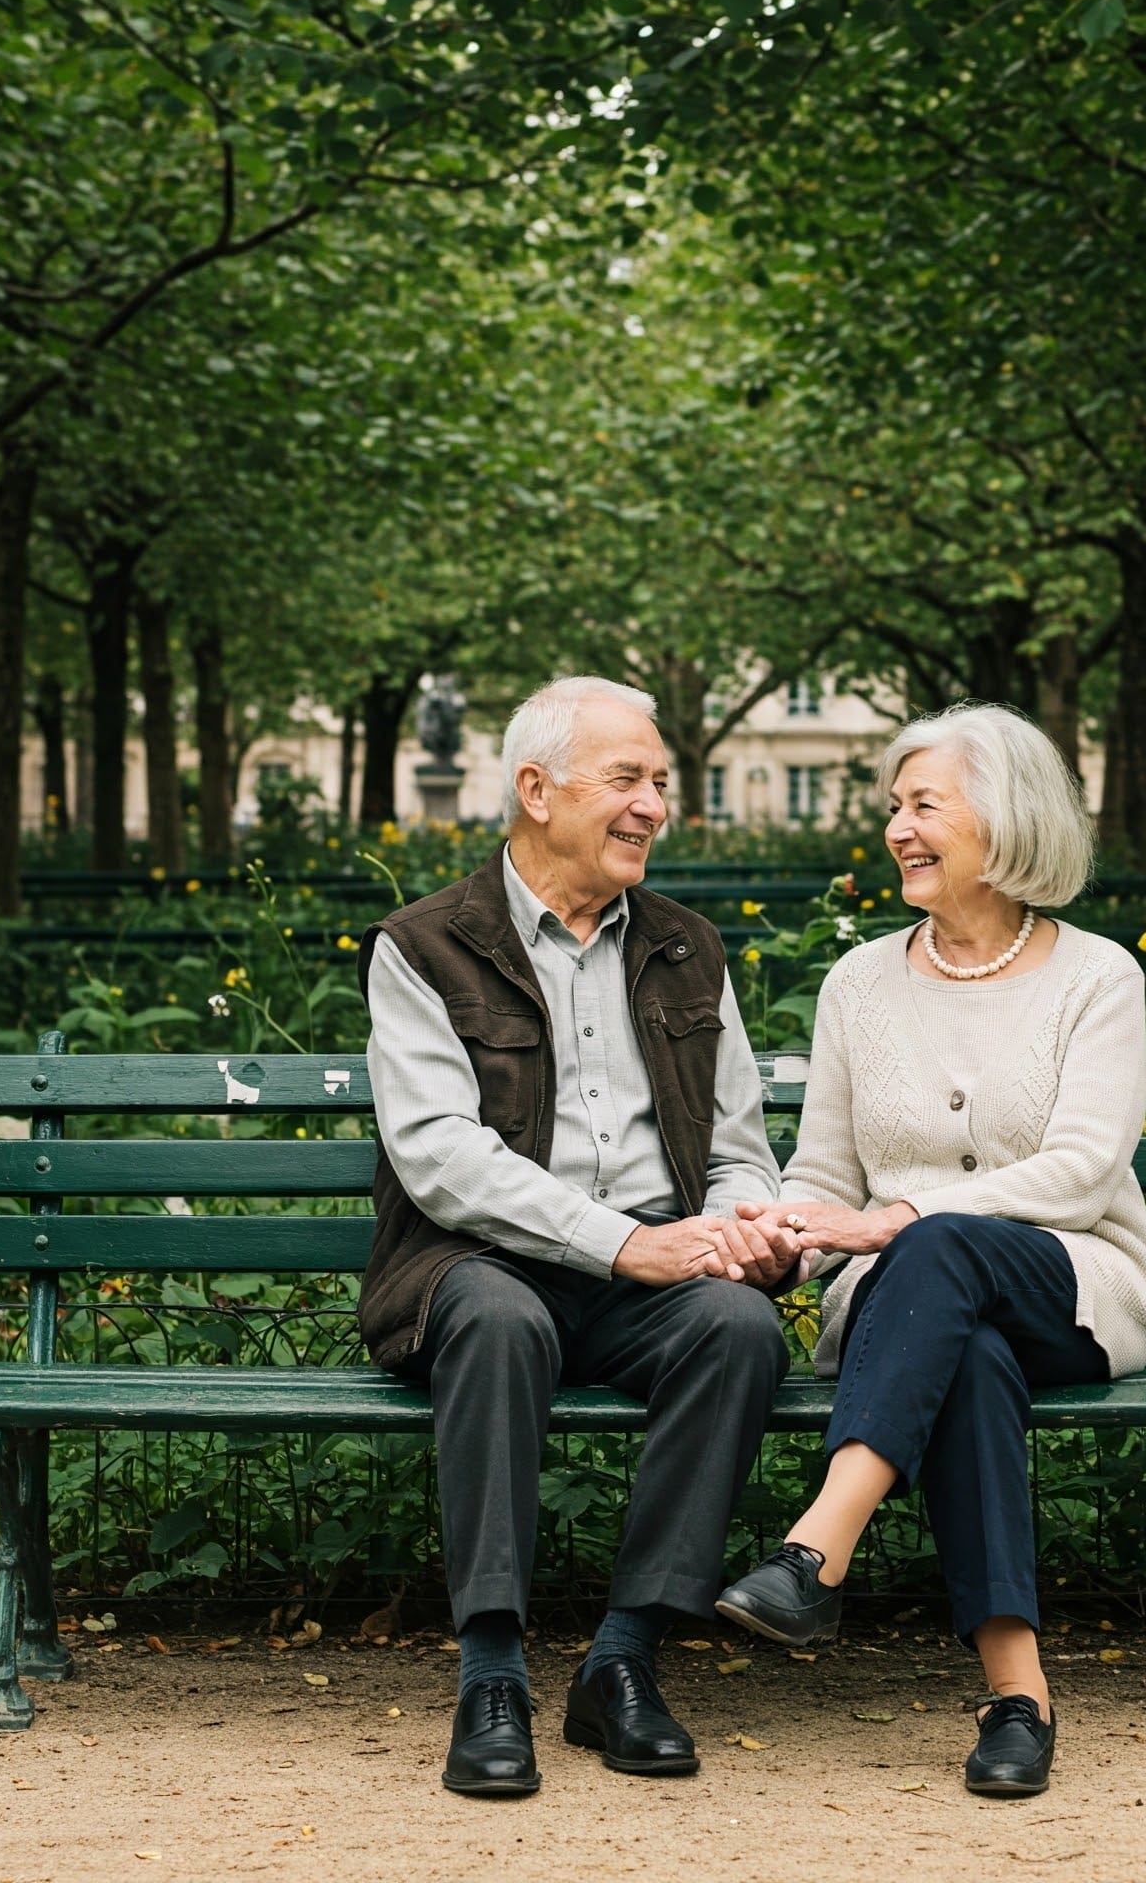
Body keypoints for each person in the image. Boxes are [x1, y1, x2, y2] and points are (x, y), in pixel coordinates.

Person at [714, 704, 1146, 1798]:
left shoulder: (1095, 976)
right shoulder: (858, 983)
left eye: (923, 805)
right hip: (910, 1307)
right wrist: (787, 1235)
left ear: (1003, 818)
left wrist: (897, 1214)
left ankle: (816, 1548)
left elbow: (1081, 1169)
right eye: (891, 808)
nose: (896, 829)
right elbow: (822, 1171)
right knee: (959, 1342)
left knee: (946, 1242)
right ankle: (1019, 1697)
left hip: (1073, 1283)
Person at [358, 676, 800, 1798]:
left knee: (739, 1327)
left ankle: (623, 1658)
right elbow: (440, 1157)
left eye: (660, 781)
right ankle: (491, 1673)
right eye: (628, 779)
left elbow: (738, 1139)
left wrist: (744, 1217)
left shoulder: (687, 946)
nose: (654, 803)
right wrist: (616, 1241)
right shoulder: (424, 945)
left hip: (650, 1273)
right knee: (500, 1317)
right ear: (535, 789)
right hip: (482, 1263)